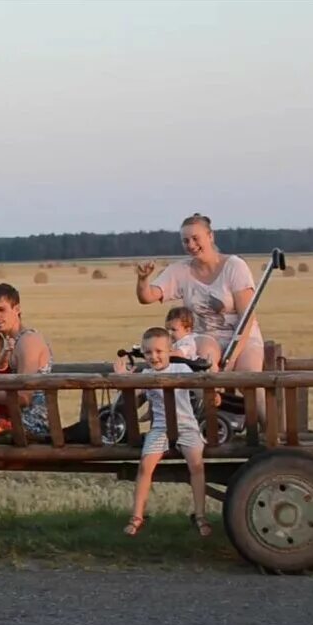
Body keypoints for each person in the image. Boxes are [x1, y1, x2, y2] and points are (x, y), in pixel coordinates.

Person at [134, 213, 264, 374]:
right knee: (205, 366)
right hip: (204, 338)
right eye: (185, 241)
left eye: (196, 238)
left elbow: (247, 319)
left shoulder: (235, 266)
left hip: (242, 338)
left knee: (250, 379)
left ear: (210, 236)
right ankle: (213, 395)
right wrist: (143, 279)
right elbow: (147, 297)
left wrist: (231, 359)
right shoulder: (180, 270)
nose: (191, 245)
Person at [114, 327, 211, 538]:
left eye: (159, 351)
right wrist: (124, 379)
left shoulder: (182, 370)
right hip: (160, 427)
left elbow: (200, 389)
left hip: (186, 425)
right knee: (146, 465)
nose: (154, 357)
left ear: (170, 351)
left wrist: (211, 388)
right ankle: (137, 515)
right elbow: (133, 394)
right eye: (148, 353)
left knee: (196, 465)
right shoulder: (145, 375)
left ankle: (200, 514)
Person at [0, 283, 54, 440]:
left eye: (1, 310)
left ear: (17, 309)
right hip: (8, 418)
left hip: (29, 426)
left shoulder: (28, 341)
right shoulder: (9, 343)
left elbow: (24, 398)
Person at [164, 306, 221, 371]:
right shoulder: (175, 341)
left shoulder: (187, 341)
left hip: (193, 367)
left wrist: (164, 355)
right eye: (167, 329)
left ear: (187, 330)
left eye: (173, 330)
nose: (169, 333)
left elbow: (180, 353)